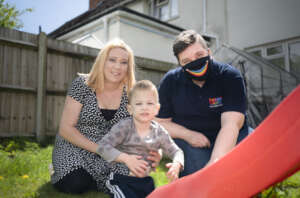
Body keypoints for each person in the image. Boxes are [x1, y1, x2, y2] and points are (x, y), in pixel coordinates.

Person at [51, 39, 161, 194]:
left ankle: (103, 179)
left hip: (112, 150)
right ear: (102, 61)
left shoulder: (131, 94)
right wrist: (111, 153)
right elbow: (66, 129)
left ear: (128, 67)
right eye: (112, 60)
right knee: (75, 183)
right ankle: (59, 169)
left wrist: (153, 152)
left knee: (136, 175)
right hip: (76, 145)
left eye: (123, 62)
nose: (117, 67)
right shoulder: (82, 85)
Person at [156, 30, 250, 177]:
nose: (194, 62)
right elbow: (160, 122)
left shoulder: (230, 76)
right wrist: (188, 135)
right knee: (200, 168)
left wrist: (215, 162)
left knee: (249, 161)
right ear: (180, 64)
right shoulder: (170, 81)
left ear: (209, 52)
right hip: (190, 140)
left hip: (232, 133)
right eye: (186, 61)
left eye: (199, 55)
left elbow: (231, 124)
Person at [96, 80, 184, 198]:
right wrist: (125, 158)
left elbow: (177, 151)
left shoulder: (159, 132)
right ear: (130, 109)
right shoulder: (124, 127)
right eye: (139, 104)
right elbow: (102, 147)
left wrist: (177, 164)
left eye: (149, 103)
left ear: (157, 108)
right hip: (121, 179)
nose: (144, 108)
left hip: (145, 181)